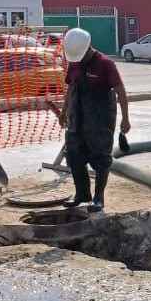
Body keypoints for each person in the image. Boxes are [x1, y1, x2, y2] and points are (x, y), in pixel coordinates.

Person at [60, 28, 130, 212]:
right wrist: (64, 111)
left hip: (100, 118)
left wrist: (126, 119)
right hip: (77, 116)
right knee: (74, 155)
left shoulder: (106, 64)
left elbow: (121, 91)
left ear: (88, 48)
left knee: (101, 158)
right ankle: (82, 193)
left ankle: (99, 198)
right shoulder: (74, 62)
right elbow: (70, 88)